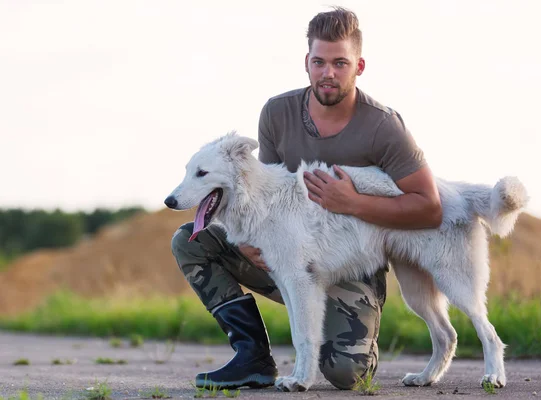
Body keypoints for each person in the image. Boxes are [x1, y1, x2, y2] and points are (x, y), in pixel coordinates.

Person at [170, 6, 442, 391]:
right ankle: (253, 356)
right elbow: (260, 198)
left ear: (359, 66)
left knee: (346, 374)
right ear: (307, 63)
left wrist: (352, 202)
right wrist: (248, 245)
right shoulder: (277, 113)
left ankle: (355, 339)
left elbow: (428, 207)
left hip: (352, 263)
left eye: (340, 63)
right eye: (319, 62)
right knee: (188, 240)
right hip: (287, 251)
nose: (328, 72)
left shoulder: (383, 126)